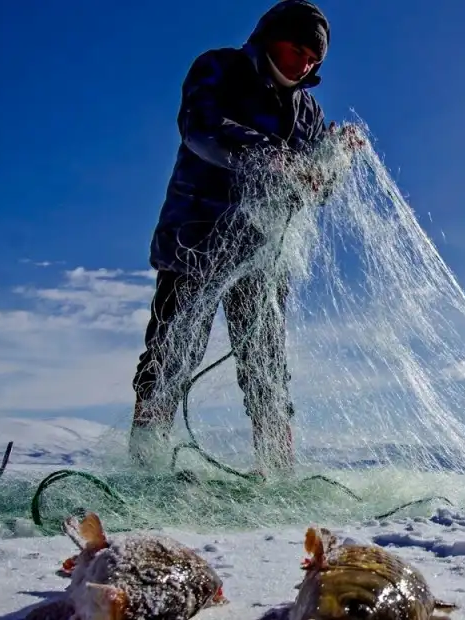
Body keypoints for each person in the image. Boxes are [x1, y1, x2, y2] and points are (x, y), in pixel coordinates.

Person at [129, 0, 362, 475]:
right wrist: (267, 152)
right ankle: (145, 464)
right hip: (196, 238)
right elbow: (200, 128)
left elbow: (311, 188)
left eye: (314, 59)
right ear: (269, 38)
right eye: (296, 49)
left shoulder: (309, 112)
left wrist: (333, 159)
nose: (305, 63)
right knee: (172, 351)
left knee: (267, 365)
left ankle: (277, 468)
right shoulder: (219, 67)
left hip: (261, 255)